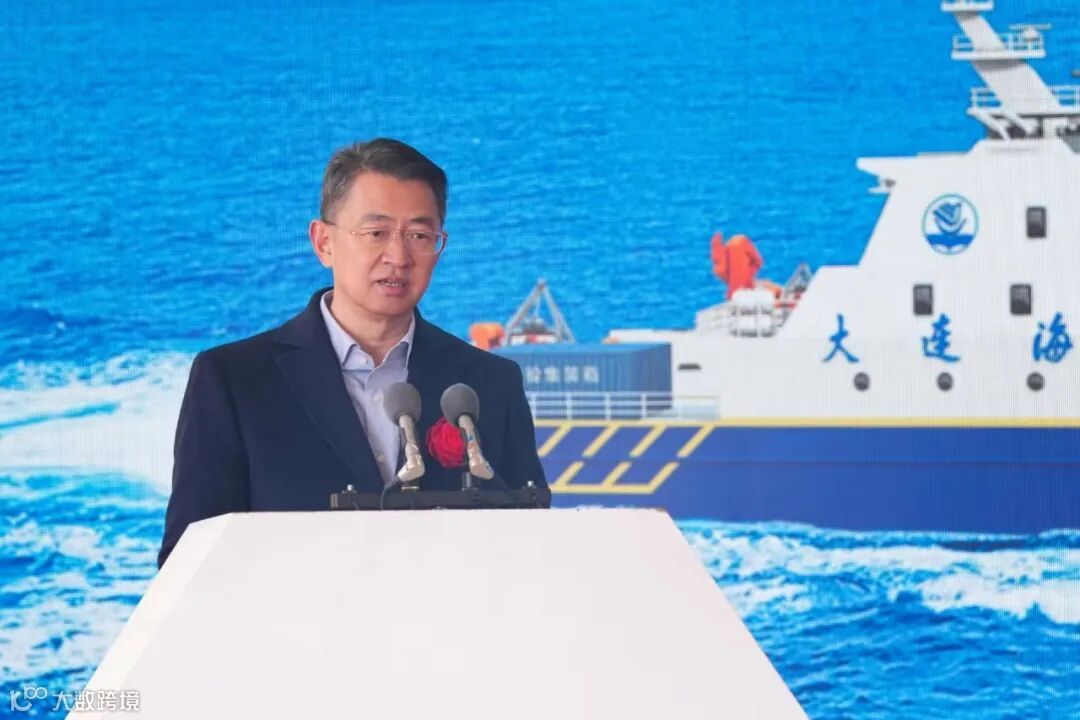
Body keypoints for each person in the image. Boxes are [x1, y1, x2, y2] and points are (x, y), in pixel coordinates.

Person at [158, 138, 547, 567]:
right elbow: (188, 565)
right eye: (376, 233)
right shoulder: (235, 381)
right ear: (323, 242)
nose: (398, 256)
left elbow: (529, 550)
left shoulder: (488, 384)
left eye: (420, 236)